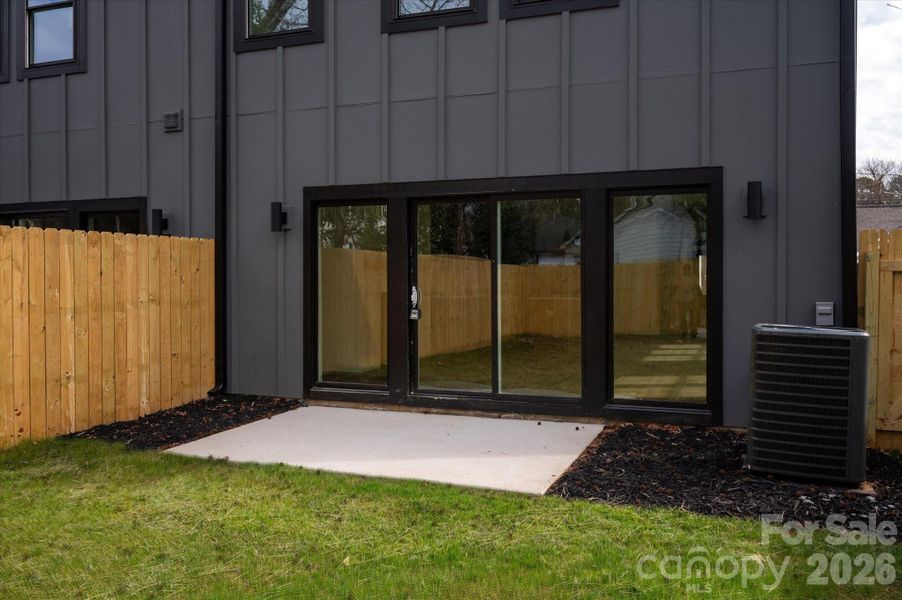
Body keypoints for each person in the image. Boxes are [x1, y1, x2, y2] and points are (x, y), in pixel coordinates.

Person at [675, 263, 700, 339]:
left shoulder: (694, 278)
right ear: (683, 270)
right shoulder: (679, 278)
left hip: (693, 299)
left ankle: (693, 332)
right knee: (682, 316)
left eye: (688, 269)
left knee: (693, 316)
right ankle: (684, 331)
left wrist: (699, 296)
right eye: (685, 269)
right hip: (682, 300)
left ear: (690, 270)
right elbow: (677, 289)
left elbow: (697, 287)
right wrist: (677, 299)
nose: (686, 271)